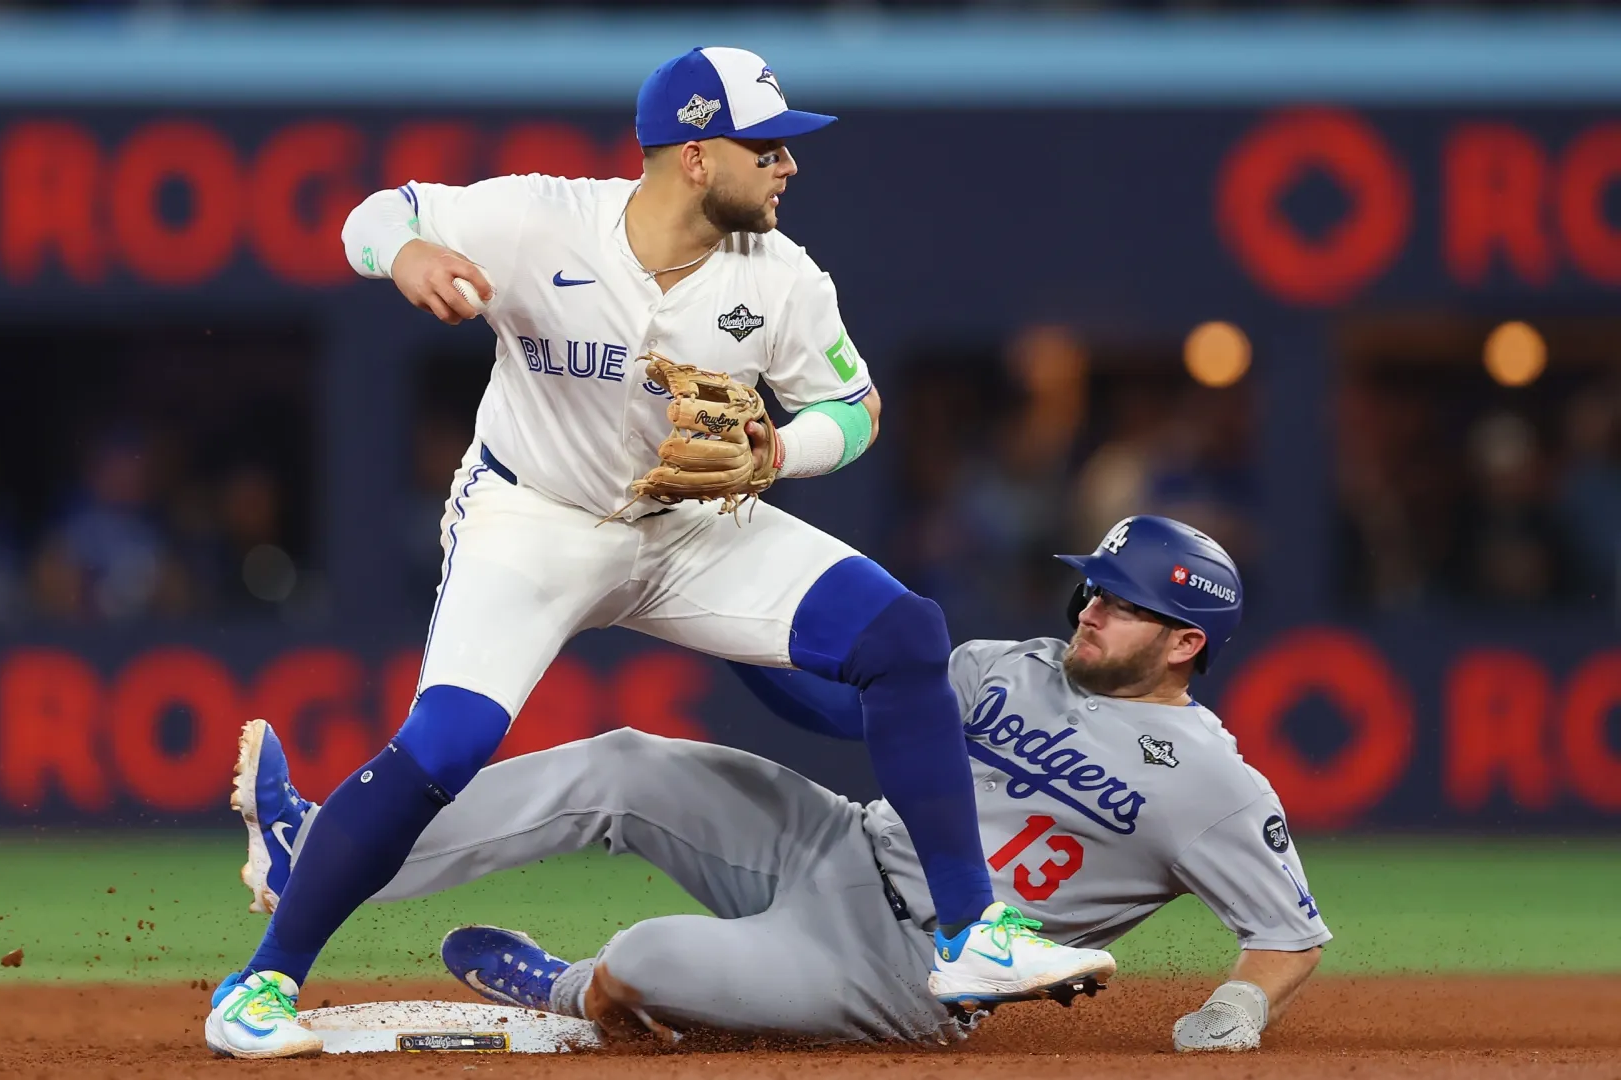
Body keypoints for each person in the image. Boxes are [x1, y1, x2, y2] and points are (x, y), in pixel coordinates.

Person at [203, 46, 1111, 1058]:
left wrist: (778, 450)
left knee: (902, 634)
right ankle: (261, 985)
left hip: (687, 524)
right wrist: (406, 254)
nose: (787, 165)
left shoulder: (782, 279)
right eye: (764, 146)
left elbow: (854, 409)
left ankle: (970, 931)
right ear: (691, 155)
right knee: (447, 747)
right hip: (534, 519)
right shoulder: (544, 218)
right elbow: (375, 213)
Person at [230, 516, 1328, 1051]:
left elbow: (1289, 933)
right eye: (1092, 587)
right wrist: (725, 629)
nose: (1089, 607)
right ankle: (317, 852)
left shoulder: (1214, 784)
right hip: (835, 841)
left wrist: (1239, 1003)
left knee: (645, 956)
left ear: (1185, 643)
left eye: (1120, 602)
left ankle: (575, 993)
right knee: (627, 761)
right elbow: (855, 717)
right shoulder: (1015, 666)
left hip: (901, 971)